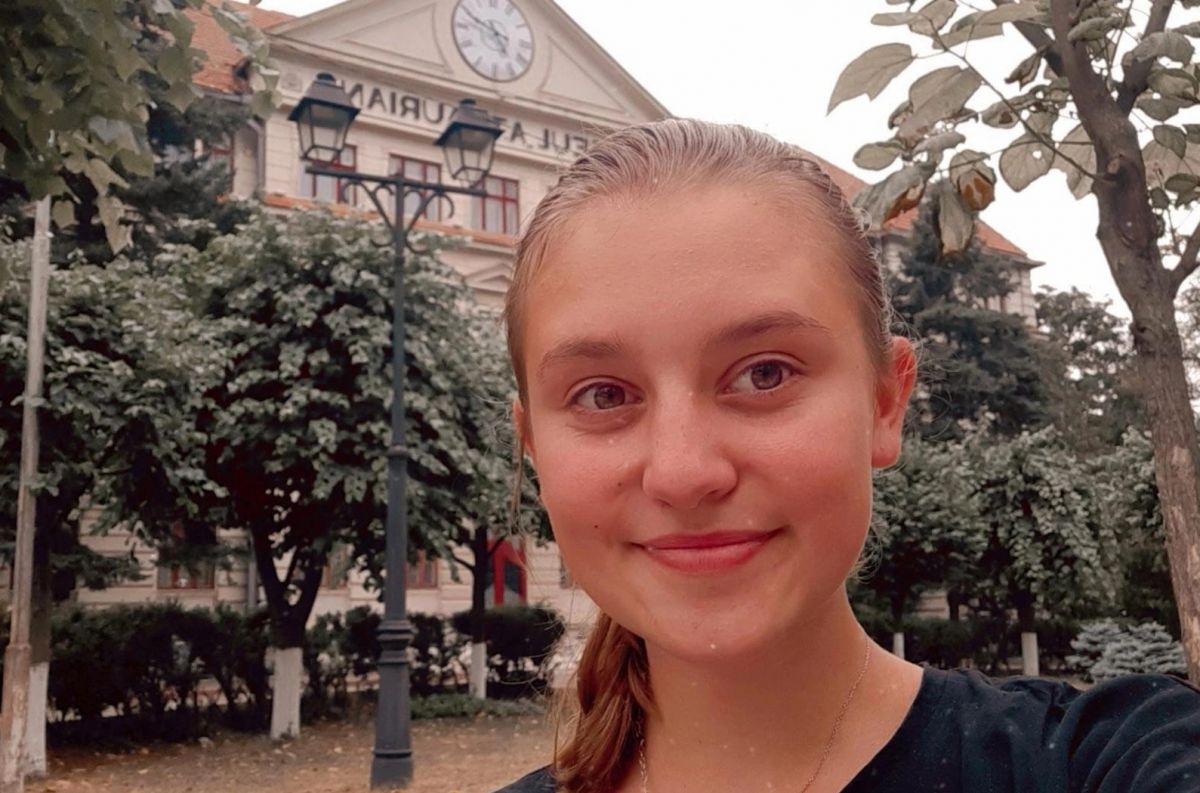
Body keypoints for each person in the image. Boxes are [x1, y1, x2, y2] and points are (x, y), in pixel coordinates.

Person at [493, 119, 1200, 793]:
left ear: (885, 402)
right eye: (603, 394)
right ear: (535, 448)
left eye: (764, 373)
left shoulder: (1104, 760)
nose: (683, 473)